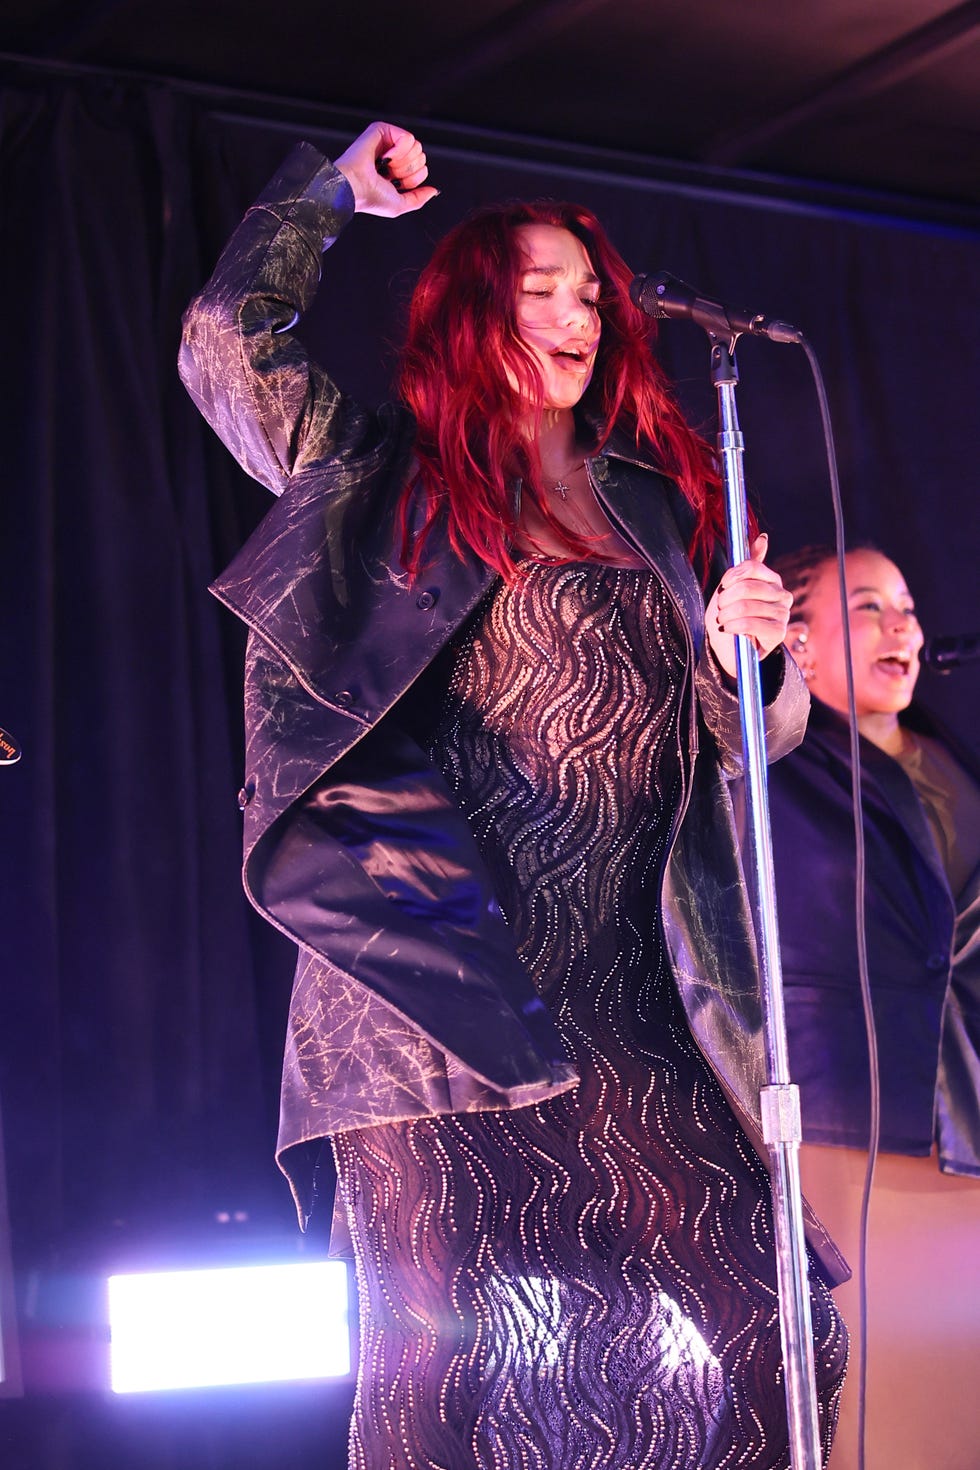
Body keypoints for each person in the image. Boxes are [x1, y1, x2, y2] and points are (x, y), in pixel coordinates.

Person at [179, 121, 847, 1469]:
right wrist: (326, 198)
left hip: (619, 988)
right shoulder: (368, 476)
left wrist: (757, 653)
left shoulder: (656, 506)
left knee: (779, 1318)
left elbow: (747, 740)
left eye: (590, 292)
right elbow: (220, 340)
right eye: (540, 288)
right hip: (425, 986)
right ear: (470, 313)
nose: (575, 314)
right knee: (438, 1359)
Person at [768, 544, 980, 1470]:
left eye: (905, 607)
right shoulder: (774, 761)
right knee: (872, 1397)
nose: (903, 626)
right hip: (850, 1110)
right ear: (799, 646)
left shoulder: (950, 760)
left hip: (965, 1108)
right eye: (866, 606)